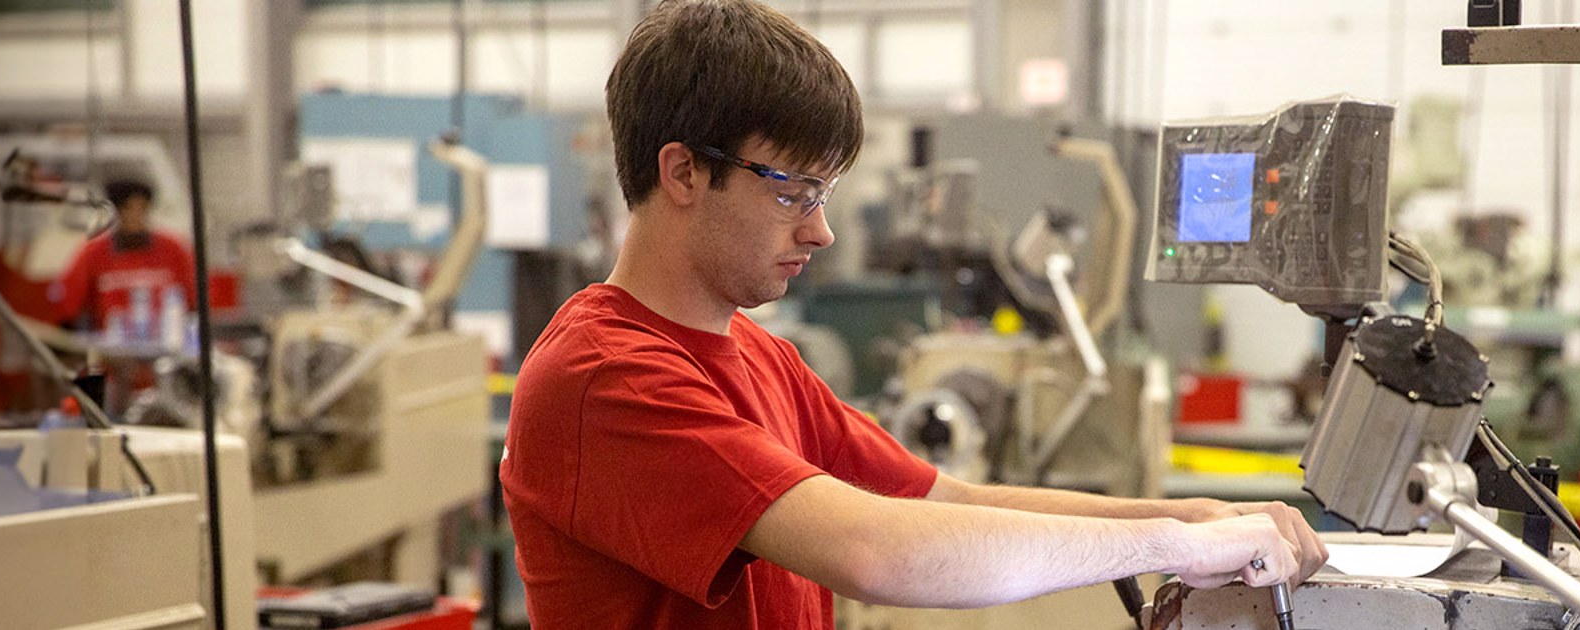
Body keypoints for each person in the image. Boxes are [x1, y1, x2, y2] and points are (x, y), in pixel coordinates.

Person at [499, 2, 1329, 628]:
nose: (819, 229)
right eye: (791, 190)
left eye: (823, 194)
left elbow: (941, 500)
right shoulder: (604, 378)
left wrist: (1180, 515)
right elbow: (877, 552)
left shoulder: (759, 355)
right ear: (682, 172)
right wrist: (1175, 550)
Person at [54, 179, 196, 336]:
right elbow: (68, 305)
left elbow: (194, 300)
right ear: (117, 212)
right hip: (111, 351)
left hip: (167, 346)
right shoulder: (94, 253)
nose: (135, 216)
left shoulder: (173, 249)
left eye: (141, 208)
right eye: (128, 209)